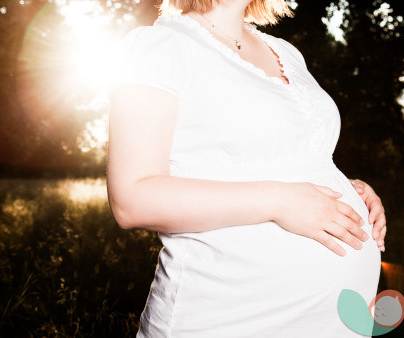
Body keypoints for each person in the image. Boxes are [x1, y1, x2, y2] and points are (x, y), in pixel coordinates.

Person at [106, 0, 387, 336]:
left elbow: (294, 157)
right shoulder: (162, 46)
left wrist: (348, 188)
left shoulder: (285, 51)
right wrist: (279, 201)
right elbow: (132, 199)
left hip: (331, 321)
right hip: (229, 316)